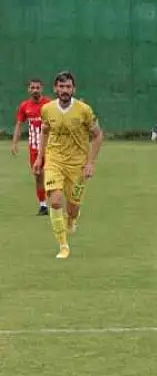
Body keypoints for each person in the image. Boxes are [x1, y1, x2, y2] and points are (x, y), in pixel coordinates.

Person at [35, 71, 104, 259]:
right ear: (55, 88)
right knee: (56, 200)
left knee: (72, 207)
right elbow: (45, 131)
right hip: (54, 160)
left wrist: (90, 162)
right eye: (61, 86)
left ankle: (72, 219)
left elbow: (98, 135)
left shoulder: (84, 110)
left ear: (74, 89)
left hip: (77, 165)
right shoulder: (47, 109)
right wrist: (40, 157)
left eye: (68, 87)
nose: (64, 90)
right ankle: (63, 246)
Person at [11, 78, 51, 215]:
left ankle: (57, 204)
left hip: (51, 147)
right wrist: (15, 142)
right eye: (32, 88)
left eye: (37, 88)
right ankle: (43, 205)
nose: (35, 90)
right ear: (29, 89)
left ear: (42, 88)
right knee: (38, 175)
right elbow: (19, 124)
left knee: (53, 175)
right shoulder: (25, 106)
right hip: (34, 148)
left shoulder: (49, 104)